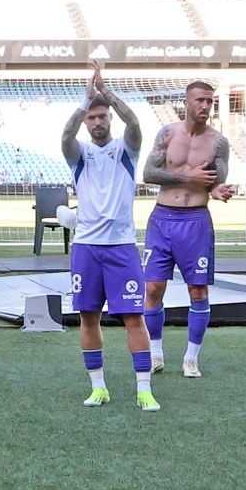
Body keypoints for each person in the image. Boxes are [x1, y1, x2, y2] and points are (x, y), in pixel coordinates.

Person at [61, 63, 158, 411]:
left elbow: (134, 124)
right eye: (92, 117)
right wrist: (84, 102)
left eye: (102, 116)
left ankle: (144, 389)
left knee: (134, 318)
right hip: (87, 247)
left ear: (109, 119)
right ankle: (98, 386)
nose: (98, 121)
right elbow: (65, 137)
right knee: (89, 316)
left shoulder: (126, 150)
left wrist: (108, 93)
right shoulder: (80, 155)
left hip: (121, 247)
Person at [141, 79, 236, 378]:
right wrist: (186, 178)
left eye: (210, 101)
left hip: (195, 221)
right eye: (200, 100)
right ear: (187, 102)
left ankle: (191, 358)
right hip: (162, 219)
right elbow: (148, 173)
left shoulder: (219, 142)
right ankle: (155, 353)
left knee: (198, 290)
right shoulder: (167, 133)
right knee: (153, 288)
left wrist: (218, 189)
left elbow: (214, 179)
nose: (206, 106)